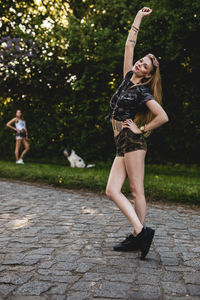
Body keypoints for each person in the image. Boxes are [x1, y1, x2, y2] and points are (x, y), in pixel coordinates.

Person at [105, 7, 169, 260]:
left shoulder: (143, 92)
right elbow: (129, 46)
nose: (139, 62)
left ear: (148, 75)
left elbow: (163, 116)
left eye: (144, 64)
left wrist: (141, 128)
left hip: (132, 140)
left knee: (136, 191)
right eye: (140, 60)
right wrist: (139, 17)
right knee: (112, 190)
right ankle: (140, 232)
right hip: (121, 141)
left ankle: (137, 235)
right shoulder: (126, 78)